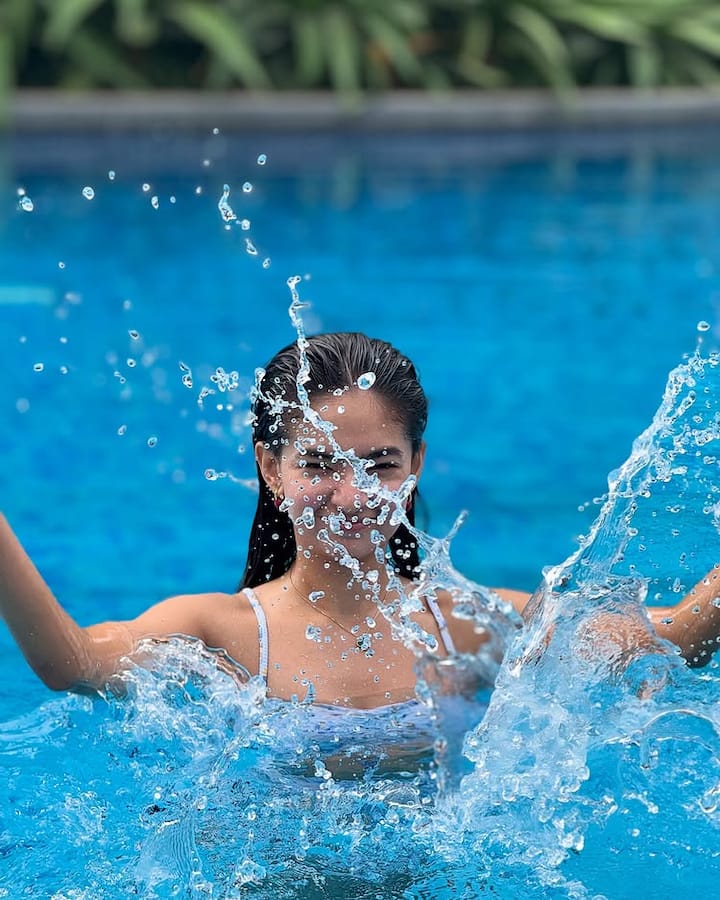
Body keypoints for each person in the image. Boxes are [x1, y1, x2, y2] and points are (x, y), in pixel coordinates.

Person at [1, 331, 719, 712]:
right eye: (318, 465)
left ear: (417, 465)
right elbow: (74, 664)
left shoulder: (467, 625)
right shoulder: (218, 634)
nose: (352, 496)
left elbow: (677, 636)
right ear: (269, 468)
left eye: (379, 465)